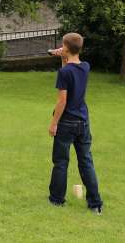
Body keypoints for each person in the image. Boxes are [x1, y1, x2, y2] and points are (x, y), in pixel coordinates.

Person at [48, 32, 103, 214]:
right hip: (83, 122)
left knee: (61, 162)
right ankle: (95, 204)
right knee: (86, 162)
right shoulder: (85, 67)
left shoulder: (64, 72)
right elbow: (71, 69)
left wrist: (54, 123)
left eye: (63, 45)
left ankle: (56, 200)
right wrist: (64, 58)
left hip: (66, 123)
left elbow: (62, 100)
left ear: (65, 48)